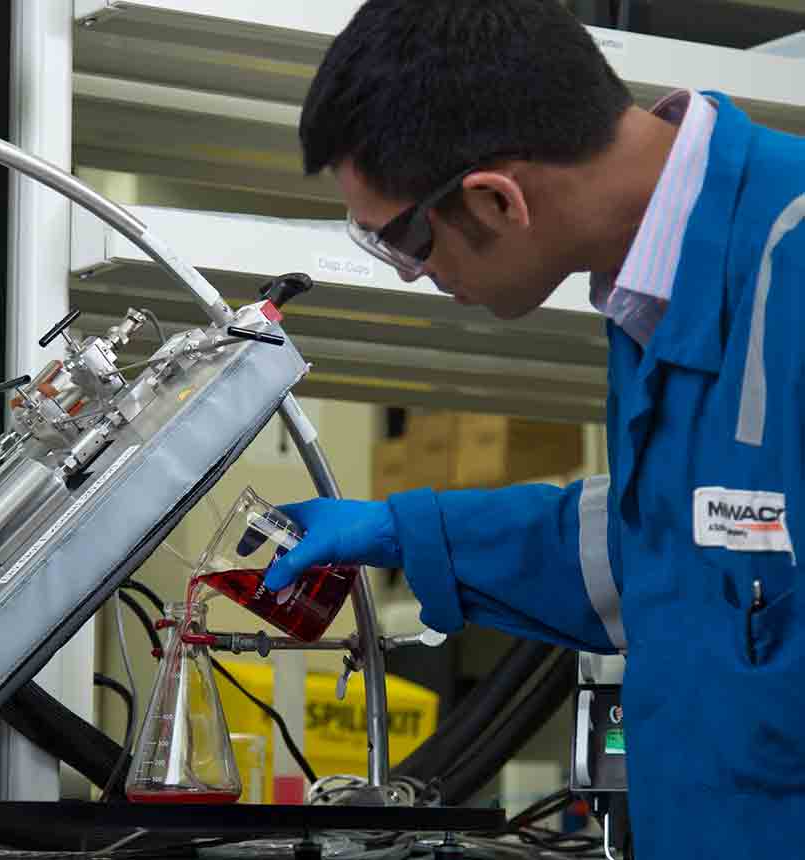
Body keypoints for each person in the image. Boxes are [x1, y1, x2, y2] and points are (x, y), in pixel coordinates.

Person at [262, 0, 805, 856]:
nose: (412, 275)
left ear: (496, 198)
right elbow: (670, 552)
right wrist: (404, 532)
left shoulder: (790, 266)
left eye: (403, 241)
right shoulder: (650, 292)